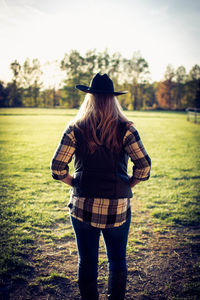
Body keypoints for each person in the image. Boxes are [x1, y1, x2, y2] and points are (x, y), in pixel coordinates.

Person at [51, 73, 151, 300]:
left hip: (82, 206)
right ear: (113, 99)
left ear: (90, 98)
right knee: (117, 261)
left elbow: (57, 168)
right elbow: (144, 166)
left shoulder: (75, 128)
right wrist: (128, 184)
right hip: (117, 208)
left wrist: (73, 181)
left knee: (86, 262)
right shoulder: (126, 129)